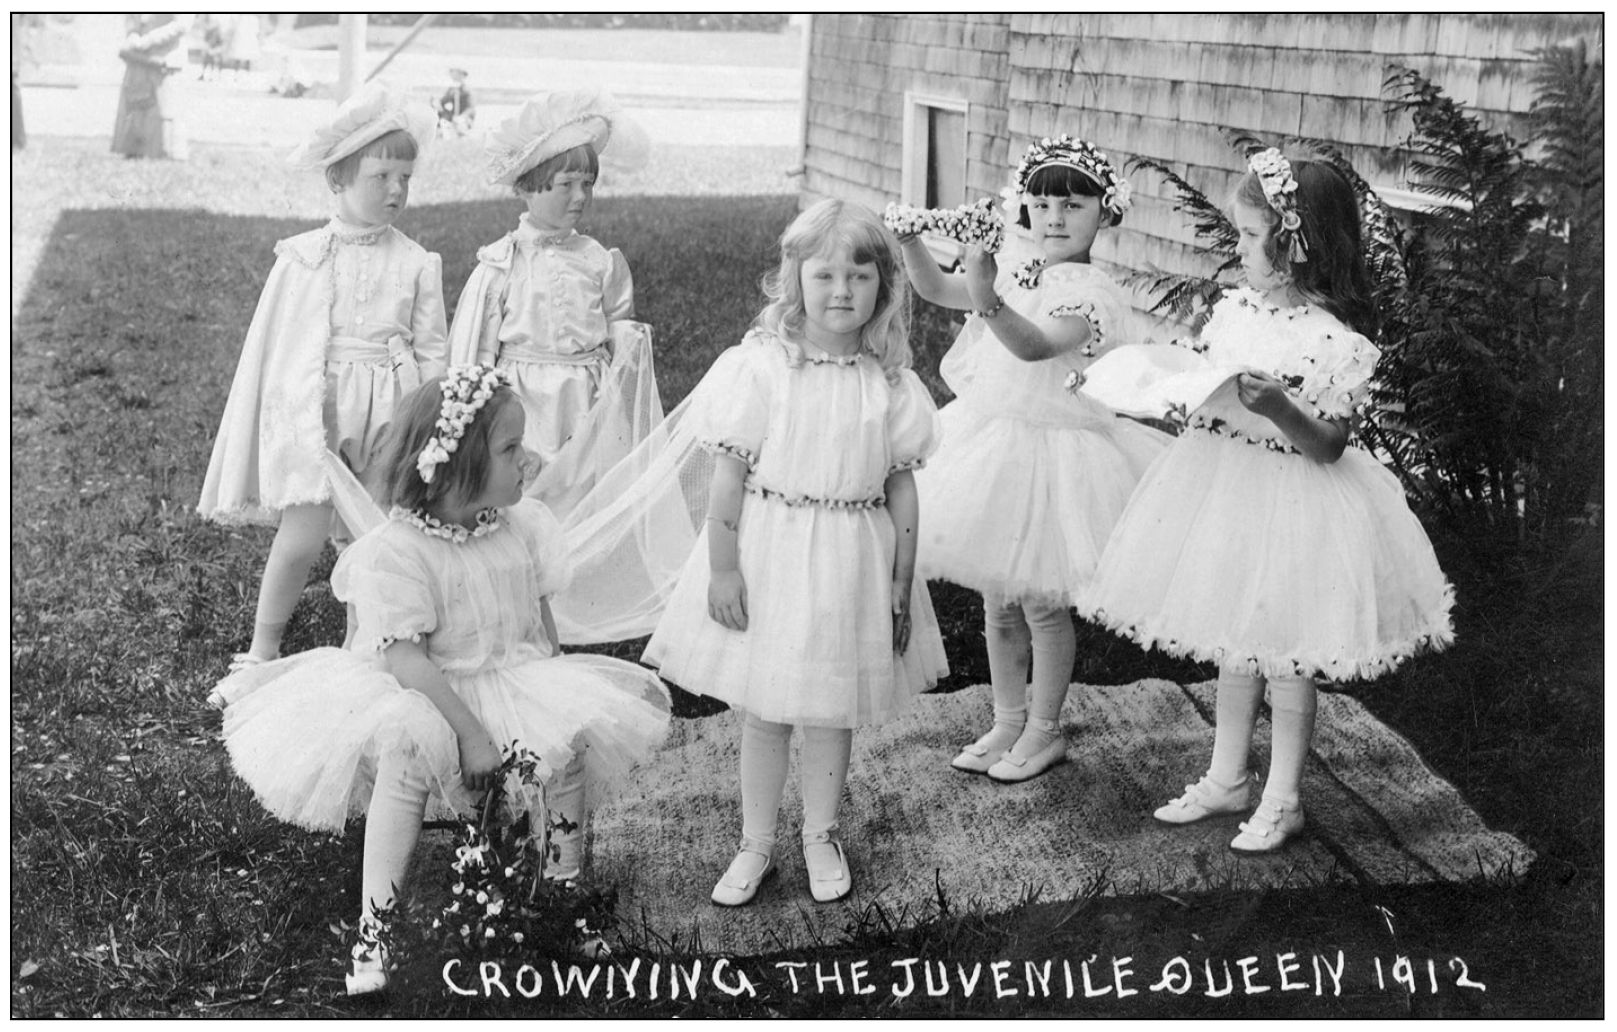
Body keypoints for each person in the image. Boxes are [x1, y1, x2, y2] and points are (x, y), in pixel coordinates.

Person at [210, 366, 672, 994]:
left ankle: (563, 893)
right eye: (510, 450)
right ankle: (376, 928)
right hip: (431, 692)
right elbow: (406, 662)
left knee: (568, 747)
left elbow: (541, 628)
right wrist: (472, 734)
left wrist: (559, 688)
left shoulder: (520, 526)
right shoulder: (400, 551)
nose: (527, 462)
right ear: (456, 465)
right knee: (407, 753)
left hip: (514, 679)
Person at [1079, 149, 1454, 853]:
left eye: (1251, 236)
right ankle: (1226, 777)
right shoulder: (1234, 313)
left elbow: (1328, 446)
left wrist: (1281, 408)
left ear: (1296, 244)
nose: (1240, 248)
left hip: (1294, 503)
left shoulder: (1334, 343)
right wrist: (1170, 392)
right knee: (1233, 636)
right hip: (1224, 487)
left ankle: (1281, 796)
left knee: (1283, 649)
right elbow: (1207, 390)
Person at [641, 199, 947, 907]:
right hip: (769, 549)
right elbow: (727, 476)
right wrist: (722, 566)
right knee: (767, 708)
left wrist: (901, 583)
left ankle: (819, 831)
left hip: (850, 559)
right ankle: (754, 842)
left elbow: (901, 491)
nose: (842, 291)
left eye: (860, 277)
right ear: (795, 279)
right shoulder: (762, 369)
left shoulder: (888, 382)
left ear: (883, 287)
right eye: (825, 275)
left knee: (829, 705)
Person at [895, 135, 1169, 784]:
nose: (1053, 219)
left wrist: (988, 296)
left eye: (1072, 206)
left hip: (1059, 453)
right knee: (998, 600)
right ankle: (1006, 718)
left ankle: (1044, 730)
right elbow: (938, 288)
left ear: (1105, 214)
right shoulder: (1018, 267)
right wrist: (909, 239)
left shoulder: (1091, 292)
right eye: (1041, 206)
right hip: (997, 440)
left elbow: (1037, 346)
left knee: (1043, 603)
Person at [197, 83, 448, 671]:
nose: (395, 190)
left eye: (405, 179)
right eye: (381, 177)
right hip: (319, 412)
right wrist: (295, 420)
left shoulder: (416, 262)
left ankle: (363, 646)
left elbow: (434, 350)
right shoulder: (305, 256)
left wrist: (427, 421)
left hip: (389, 410)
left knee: (376, 536)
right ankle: (263, 647)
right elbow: (281, 348)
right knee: (303, 534)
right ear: (337, 180)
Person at [450, 90, 660, 518]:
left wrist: (626, 346)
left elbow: (617, 325)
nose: (579, 197)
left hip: (588, 400)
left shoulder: (598, 260)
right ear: (528, 188)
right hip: (525, 401)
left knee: (587, 495)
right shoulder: (502, 264)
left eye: (587, 185)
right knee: (527, 492)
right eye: (566, 185)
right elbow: (473, 352)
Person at [110, 13, 192, 159]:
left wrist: (147, 41)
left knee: (165, 110)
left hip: (166, 57)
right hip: (138, 57)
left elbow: (182, 24)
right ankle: (134, 151)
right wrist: (133, 36)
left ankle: (165, 154)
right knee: (136, 106)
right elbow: (132, 19)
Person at [437, 66, 475, 135]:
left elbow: (470, 108)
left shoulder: (467, 90)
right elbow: (443, 101)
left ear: (462, 75)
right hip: (452, 117)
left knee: (460, 125)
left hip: (464, 118)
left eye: (456, 74)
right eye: (452, 74)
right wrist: (438, 104)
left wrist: (462, 117)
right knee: (444, 122)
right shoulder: (451, 89)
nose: (453, 76)